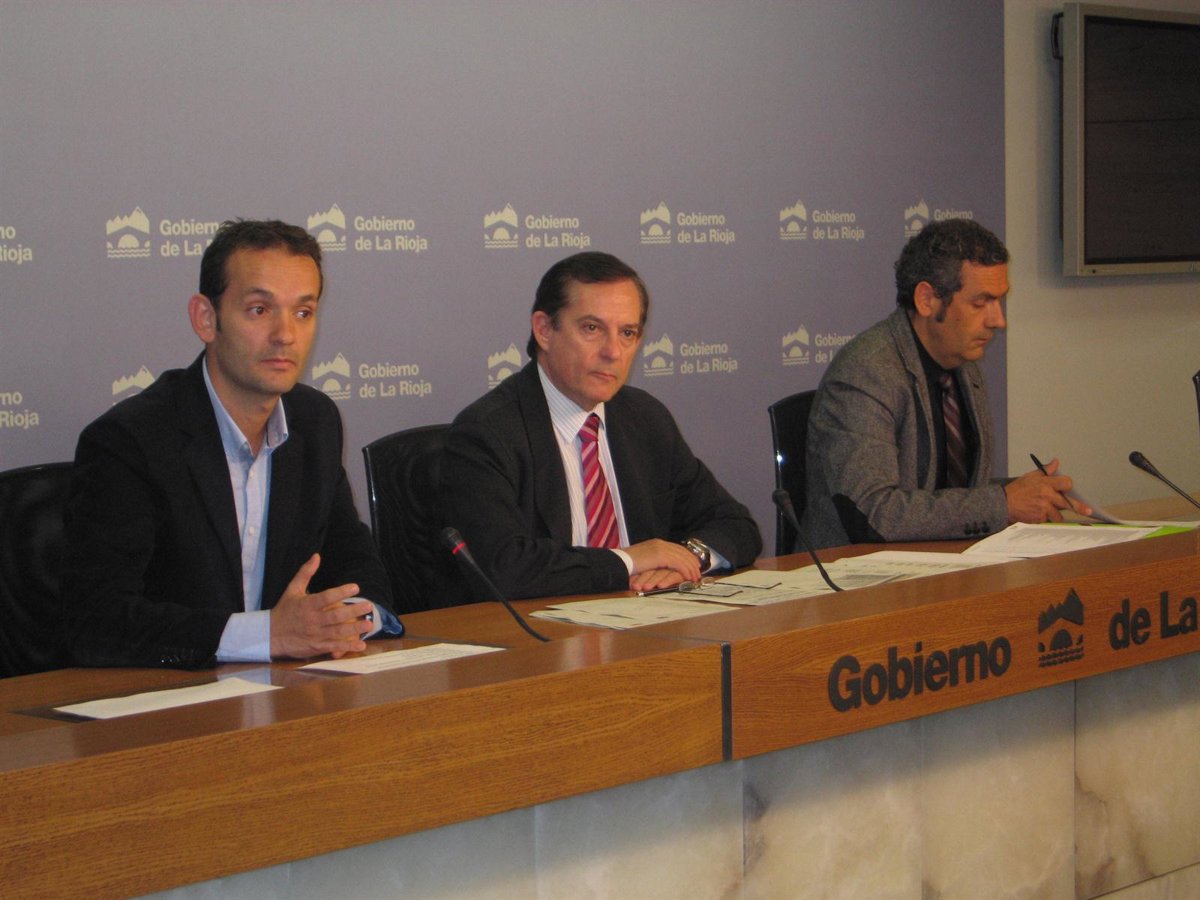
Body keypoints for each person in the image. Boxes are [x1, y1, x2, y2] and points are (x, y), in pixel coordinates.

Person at [63, 219, 401, 668]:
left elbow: (356, 566)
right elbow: (96, 621)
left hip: (289, 690)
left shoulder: (314, 422)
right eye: (260, 310)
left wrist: (345, 618)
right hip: (175, 695)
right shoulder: (130, 441)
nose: (286, 334)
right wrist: (266, 635)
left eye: (303, 312)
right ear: (206, 319)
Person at [441, 251, 761, 600]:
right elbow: (505, 568)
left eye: (627, 333)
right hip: (543, 626)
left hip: (646, 618)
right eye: (592, 328)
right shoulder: (487, 433)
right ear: (544, 330)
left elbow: (736, 525)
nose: (613, 352)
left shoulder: (645, 418)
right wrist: (630, 561)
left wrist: (688, 559)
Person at [803, 218, 1087, 550]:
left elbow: (950, 490)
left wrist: (1028, 494)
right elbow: (874, 513)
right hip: (854, 571)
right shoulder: (866, 371)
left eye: (999, 301)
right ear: (927, 299)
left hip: (945, 561)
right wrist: (1003, 503)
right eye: (980, 303)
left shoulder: (964, 366)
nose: (998, 320)